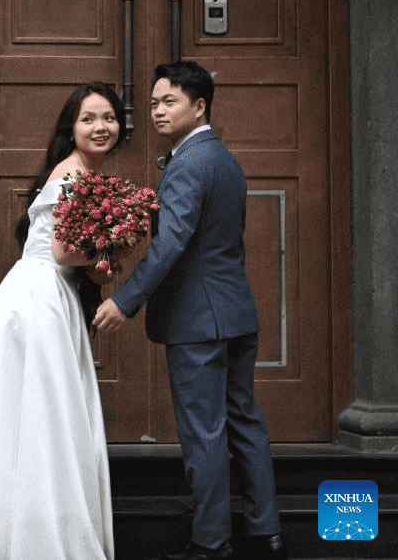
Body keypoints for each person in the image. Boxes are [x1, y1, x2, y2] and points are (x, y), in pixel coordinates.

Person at [92, 61, 287, 560]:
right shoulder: (224, 159)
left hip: (199, 323)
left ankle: (211, 542)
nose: (157, 110)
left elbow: (171, 244)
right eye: (154, 102)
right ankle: (266, 534)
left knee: (204, 433)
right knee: (244, 422)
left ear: (199, 106)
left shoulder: (189, 163)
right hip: (236, 312)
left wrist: (125, 299)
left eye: (168, 101)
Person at [0, 83, 125, 560]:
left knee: (32, 417)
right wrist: (110, 250)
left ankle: (24, 530)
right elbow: (64, 251)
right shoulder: (74, 175)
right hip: (39, 300)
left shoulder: (83, 173)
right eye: (88, 118)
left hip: (39, 294)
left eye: (108, 117)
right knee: (45, 417)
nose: (100, 127)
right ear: (71, 128)